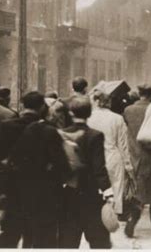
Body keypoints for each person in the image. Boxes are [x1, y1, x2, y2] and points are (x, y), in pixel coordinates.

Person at [13, 94, 72, 248]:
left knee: (27, 234)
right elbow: (62, 164)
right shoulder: (50, 131)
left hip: (22, 189)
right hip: (47, 191)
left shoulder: (20, 128)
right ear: (42, 108)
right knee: (46, 235)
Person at [59, 96, 113, 248]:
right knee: (98, 239)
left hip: (68, 191)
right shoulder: (95, 135)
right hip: (90, 192)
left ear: (70, 113)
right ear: (89, 114)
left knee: (68, 238)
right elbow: (99, 167)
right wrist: (108, 191)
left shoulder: (62, 133)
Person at [0, 92, 49, 248]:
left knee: (10, 235)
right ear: (42, 107)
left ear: (22, 106)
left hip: (12, 188)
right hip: (40, 190)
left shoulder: (5, 126)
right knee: (34, 235)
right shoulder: (49, 129)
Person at [123, 84, 151, 237]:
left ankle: (132, 221)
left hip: (135, 155)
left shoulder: (128, 110)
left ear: (139, 93)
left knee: (138, 191)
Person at [87, 90, 134, 216]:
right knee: (116, 186)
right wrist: (128, 165)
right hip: (112, 155)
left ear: (96, 101)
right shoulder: (117, 118)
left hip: (93, 156)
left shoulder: (89, 117)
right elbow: (123, 144)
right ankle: (113, 215)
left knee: (96, 184)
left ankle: (96, 212)